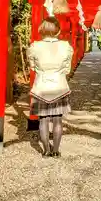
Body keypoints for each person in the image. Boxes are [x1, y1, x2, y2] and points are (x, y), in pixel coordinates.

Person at [27, 16, 74, 157]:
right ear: (58, 31)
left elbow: (32, 67)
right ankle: (56, 150)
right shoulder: (66, 46)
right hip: (59, 85)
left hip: (41, 86)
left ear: (42, 30)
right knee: (57, 120)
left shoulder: (34, 46)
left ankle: (46, 150)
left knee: (43, 120)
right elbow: (67, 69)